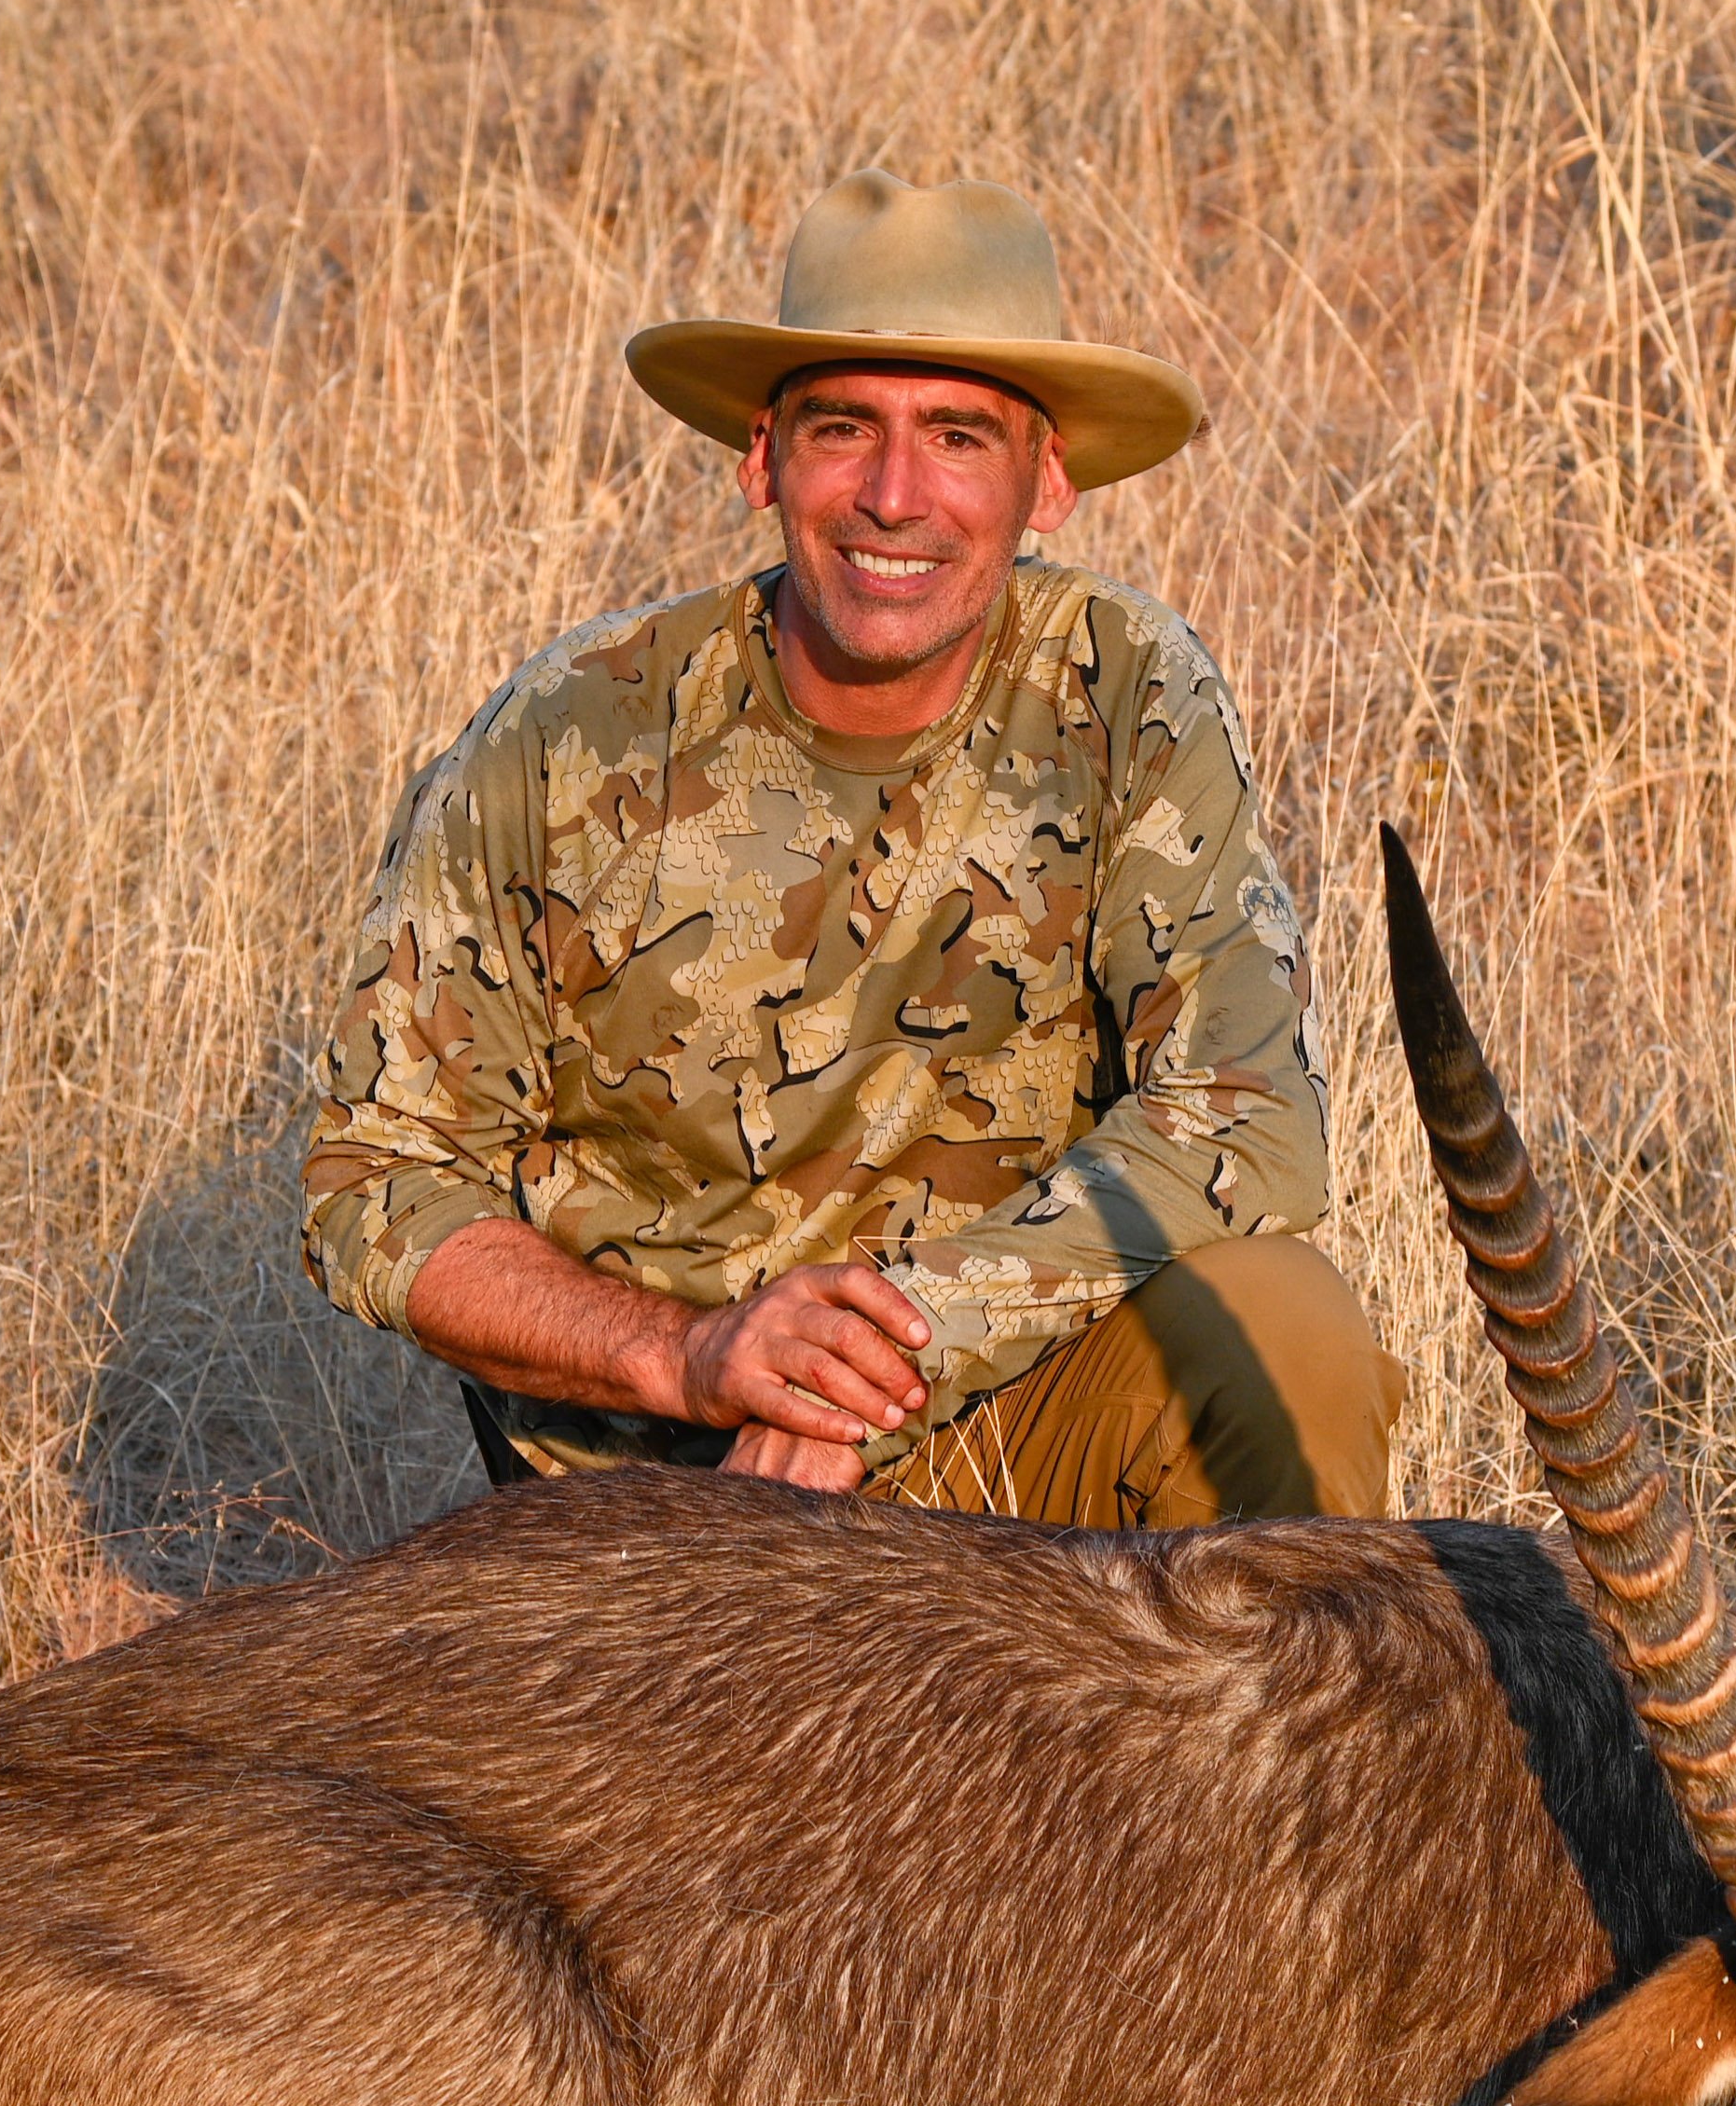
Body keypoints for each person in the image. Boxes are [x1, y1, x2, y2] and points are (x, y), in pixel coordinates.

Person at [302, 170, 1398, 1527]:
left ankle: (1280, 1740)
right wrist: (690, 1360)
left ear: (1046, 480)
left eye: (957, 436)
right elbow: (381, 1186)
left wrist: (897, 1359)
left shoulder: (1129, 689)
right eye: (843, 429)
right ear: (761, 456)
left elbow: (1251, 1116)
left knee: (1284, 1327)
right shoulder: (567, 729)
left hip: (994, 1429)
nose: (894, 495)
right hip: (666, 1493)